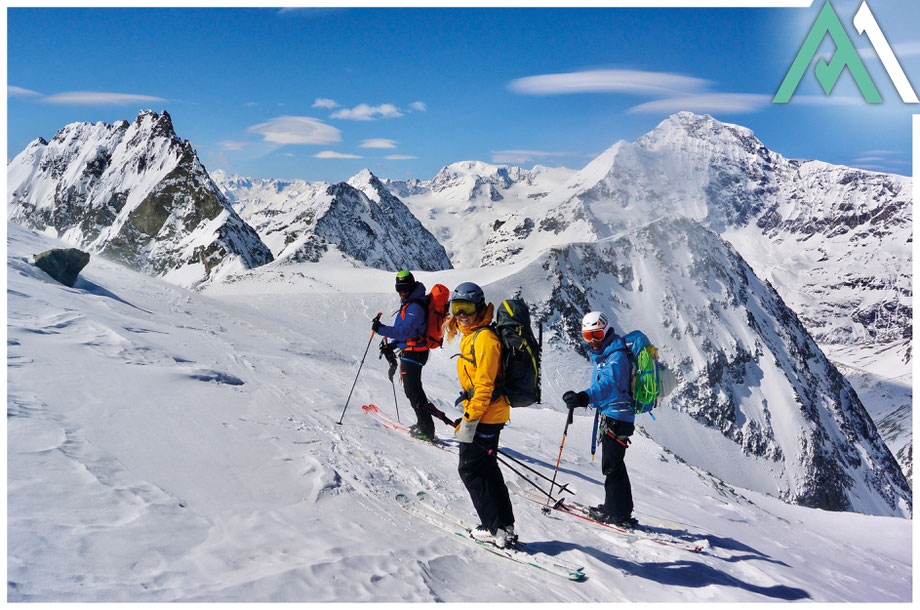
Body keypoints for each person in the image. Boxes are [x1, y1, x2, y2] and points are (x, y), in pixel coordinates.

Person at [445, 281, 517, 548]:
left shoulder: (485, 338)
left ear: (479, 307)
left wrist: (469, 420)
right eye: (457, 308)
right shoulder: (473, 334)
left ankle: (494, 528)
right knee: (486, 469)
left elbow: (485, 386)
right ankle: (504, 525)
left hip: (485, 415)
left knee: (471, 471)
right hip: (488, 413)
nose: (461, 314)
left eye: (467, 308)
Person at [563, 311, 640, 528]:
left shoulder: (615, 357)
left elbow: (608, 385)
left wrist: (584, 397)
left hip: (617, 416)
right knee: (615, 465)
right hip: (615, 415)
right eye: (588, 336)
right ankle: (617, 508)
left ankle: (617, 513)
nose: (593, 340)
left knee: (612, 466)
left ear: (606, 329)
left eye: (596, 333)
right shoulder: (608, 353)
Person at [373, 270, 436, 442]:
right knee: (414, 391)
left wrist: (381, 329)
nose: (402, 292)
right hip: (411, 350)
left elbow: (406, 331)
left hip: (414, 354)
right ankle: (424, 425)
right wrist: (394, 344)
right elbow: (409, 333)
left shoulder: (414, 306)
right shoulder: (410, 302)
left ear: (412, 286)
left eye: (405, 289)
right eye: (399, 289)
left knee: (413, 392)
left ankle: (427, 430)